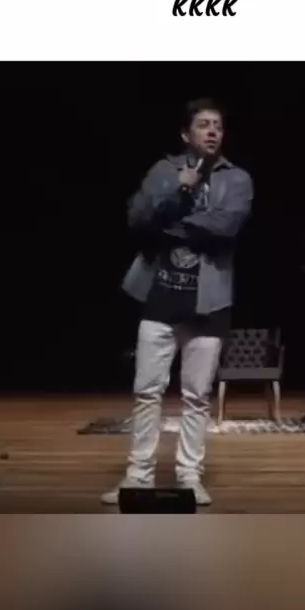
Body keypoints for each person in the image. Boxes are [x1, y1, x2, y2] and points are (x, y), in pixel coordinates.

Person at [102, 98, 253, 507]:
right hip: (160, 297)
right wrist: (178, 191)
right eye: (203, 124)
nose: (212, 131)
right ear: (186, 134)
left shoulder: (237, 179)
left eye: (217, 125)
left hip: (209, 302)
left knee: (196, 396)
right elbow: (137, 218)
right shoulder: (164, 171)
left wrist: (168, 225)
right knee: (146, 391)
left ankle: (189, 477)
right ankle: (138, 475)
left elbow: (225, 226)